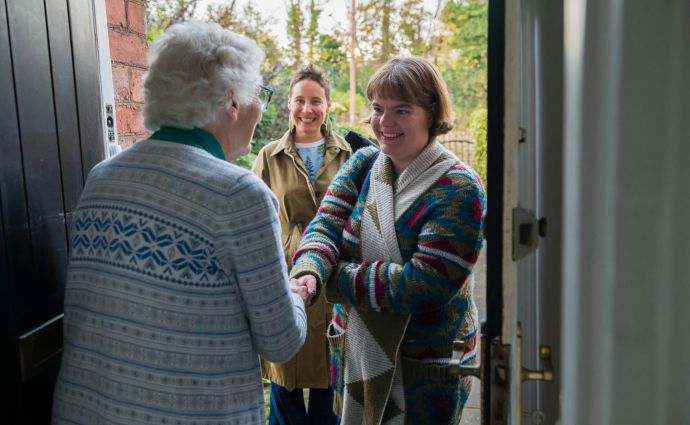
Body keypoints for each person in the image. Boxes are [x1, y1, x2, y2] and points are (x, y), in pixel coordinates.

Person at [51, 22, 309, 425]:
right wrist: (296, 294)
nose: (261, 108)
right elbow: (281, 341)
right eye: (260, 94)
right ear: (231, 101)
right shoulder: (239, 194)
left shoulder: (103, 177)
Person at [289, 56, 485, 424]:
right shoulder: (363, 163)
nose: (384, 123)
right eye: (378, 109)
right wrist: (311, 271)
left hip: (423, 369)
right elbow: (326, 223)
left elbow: (424, 285)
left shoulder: (459, 189)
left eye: (401, 110)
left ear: (431, 112)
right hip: (354, 353)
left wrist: (336, 278)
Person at [252, 64, 349, 425]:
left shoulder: (348, 155)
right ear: (289, 104)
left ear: (327, 105)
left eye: (315, 101)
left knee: (330, 381)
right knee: (284, 382)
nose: (306, 109)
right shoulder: (268, 155)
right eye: (299, 100)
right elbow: (254, 218)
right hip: (286, 276)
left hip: (332, 277)